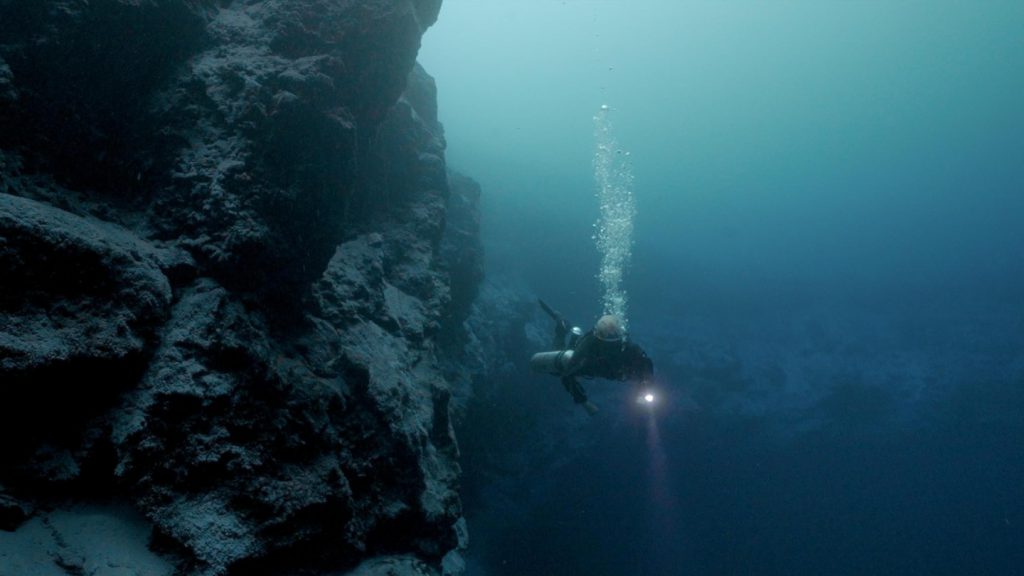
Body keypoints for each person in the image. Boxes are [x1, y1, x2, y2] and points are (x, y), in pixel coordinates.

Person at [532, 300, 654, 415]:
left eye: (614, 343)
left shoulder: (629, 347)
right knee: (562, 363)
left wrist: (644, 388)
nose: (610, 349)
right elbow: (567, 375)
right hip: (587, 363)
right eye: (607, 344)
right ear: (599, 340)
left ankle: (571, 334)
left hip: (604, 368)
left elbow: (646, 365)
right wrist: (584, 402)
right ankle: (562, 327)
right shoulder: (587, 349)